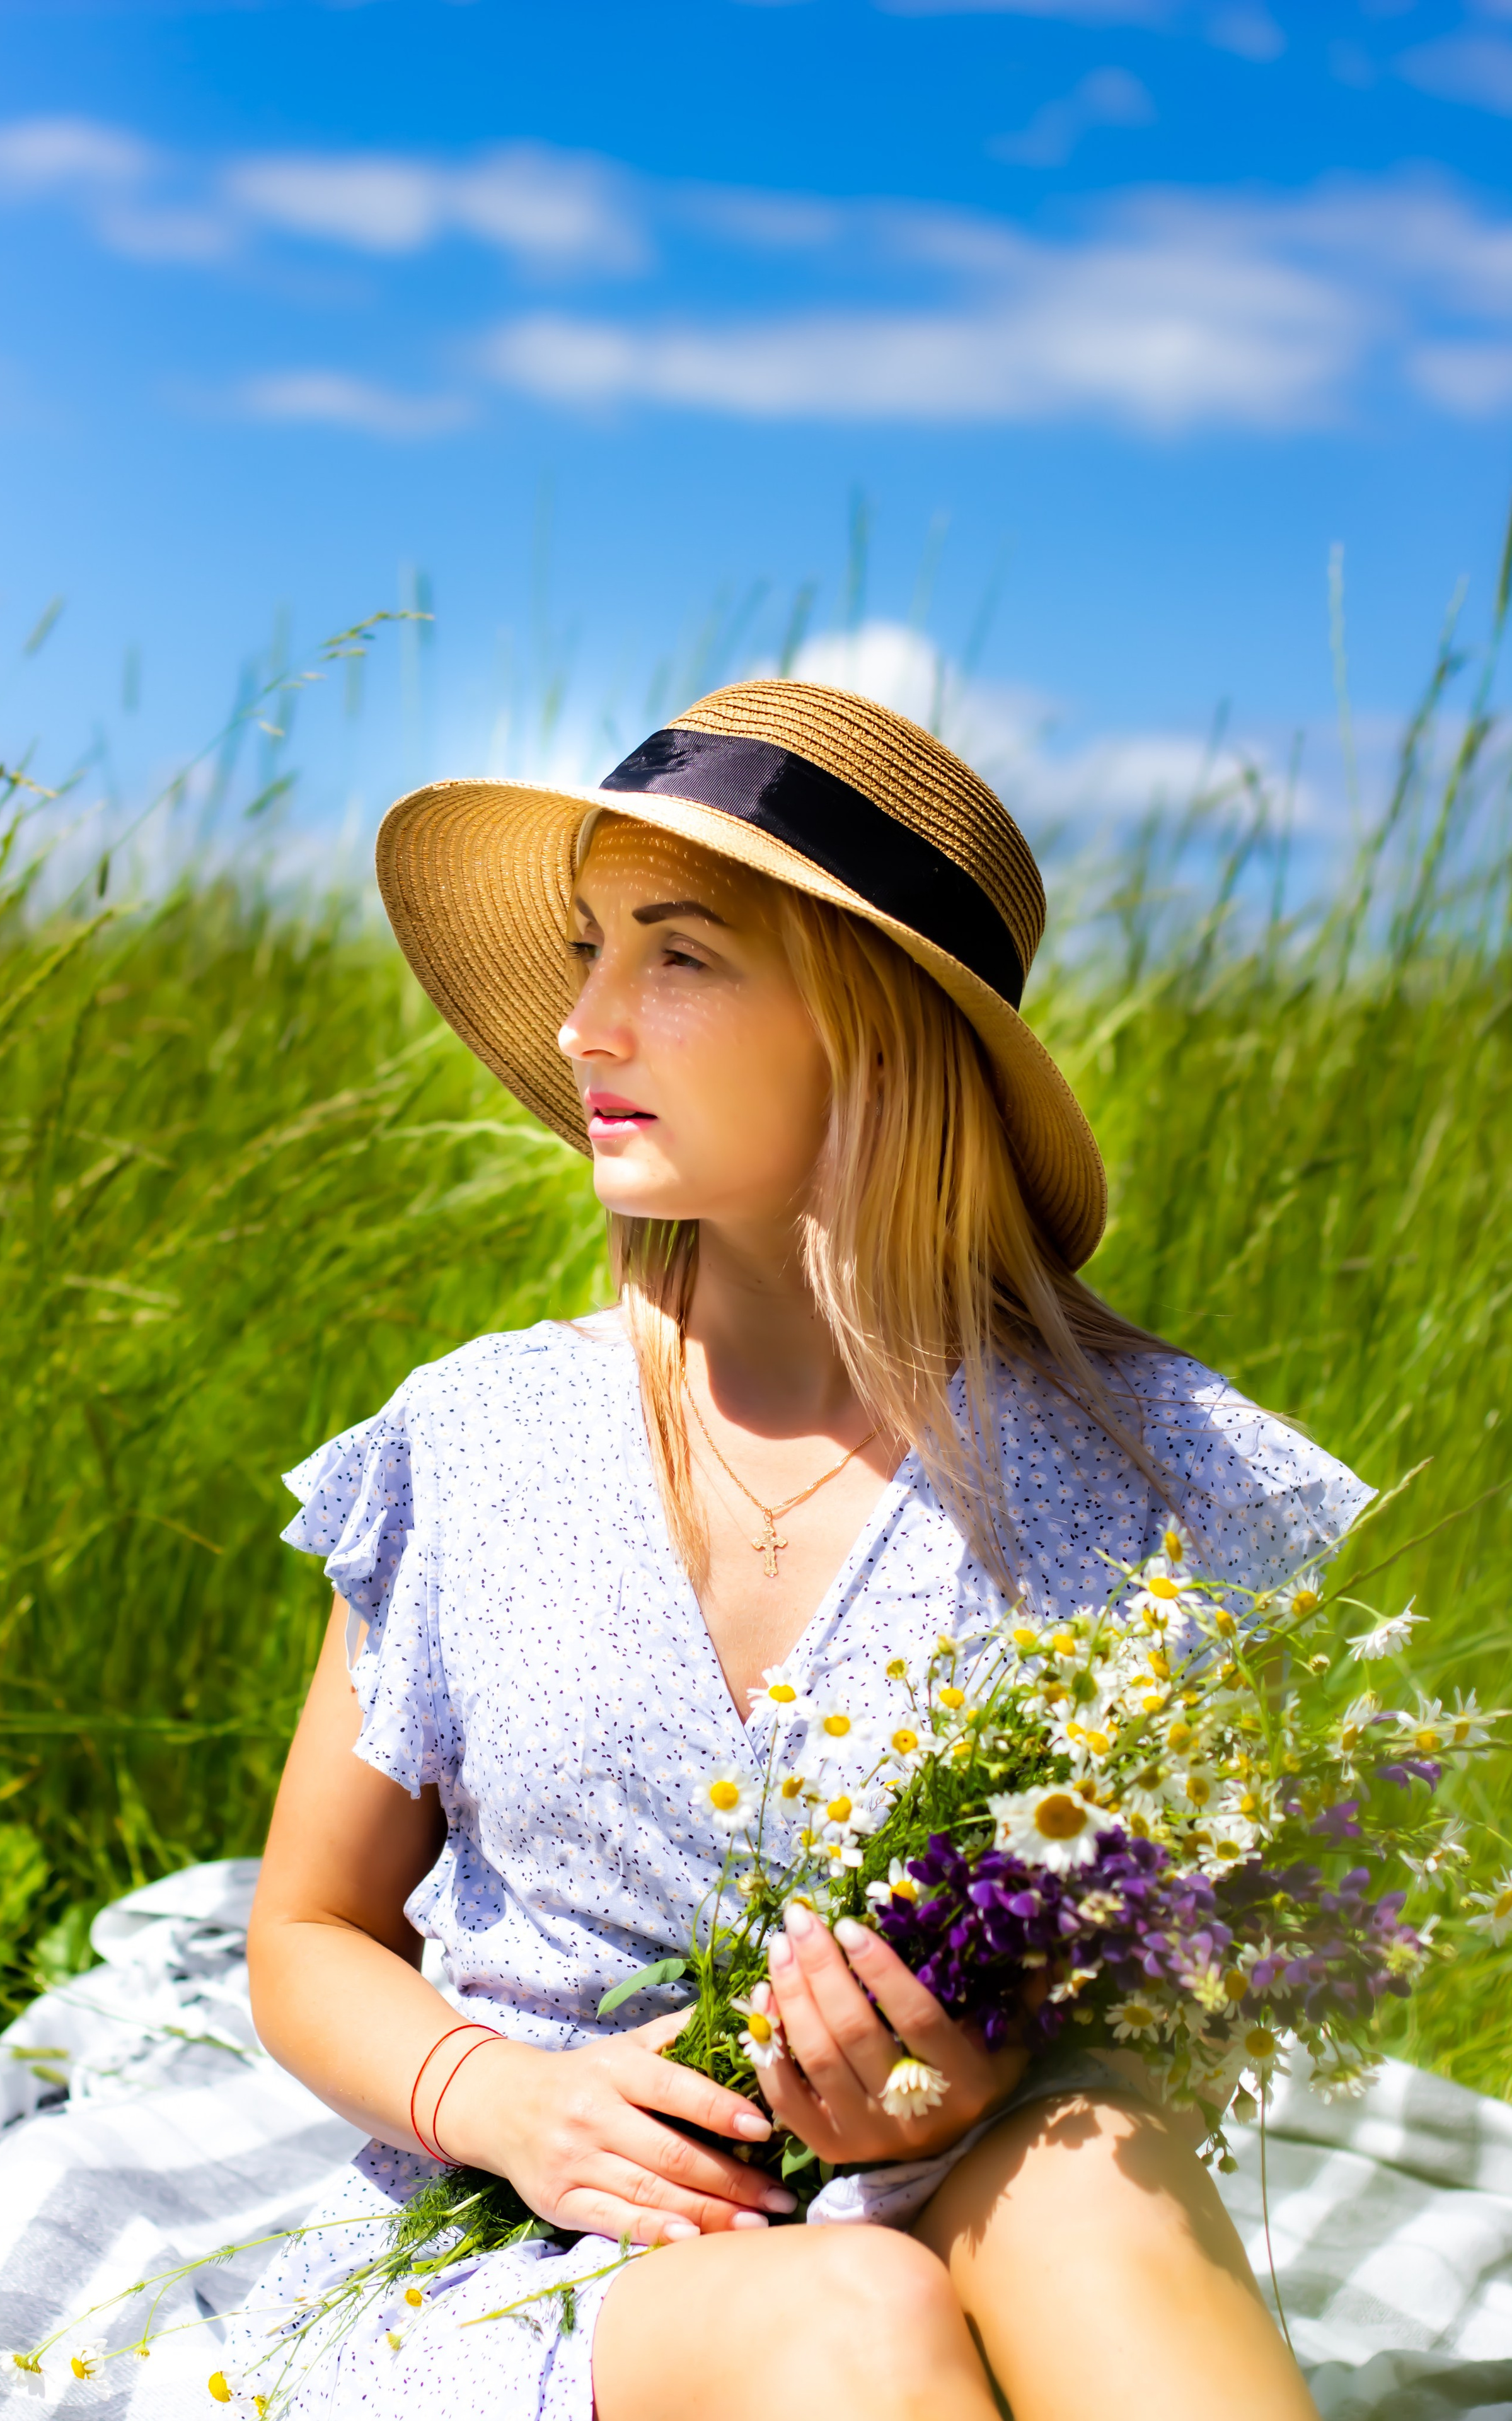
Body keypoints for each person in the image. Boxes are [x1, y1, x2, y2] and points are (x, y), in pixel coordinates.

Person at [238, 680, 1366, 2420]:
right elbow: (310, 1926)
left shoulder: (1149, 1475)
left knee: (1089, 2180)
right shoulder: (480, 1441)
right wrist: (498, 2098)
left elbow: (1192, 1980)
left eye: (677, 958)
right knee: (855, 2315)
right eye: (590, 951)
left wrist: (983, 2069)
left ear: (877, 1026)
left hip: (982, 2170)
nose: (586, 1026)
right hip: (562, 2231)